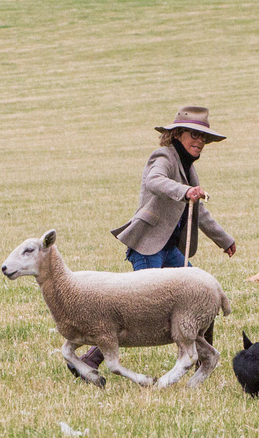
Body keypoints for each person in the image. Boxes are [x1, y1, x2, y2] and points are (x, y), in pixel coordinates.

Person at [73, 106, 236, 375]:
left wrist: (224, 240)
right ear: (176, 134)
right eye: (193, 135)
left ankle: (203, 357)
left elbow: (199, 211)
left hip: (170, 249)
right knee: (138, 310)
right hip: (148, 247)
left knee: (200, 293)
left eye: (203, 138)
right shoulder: (163, 156)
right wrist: (185, 191)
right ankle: (92, 359)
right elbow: (154, 180)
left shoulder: (187, 167)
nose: (199, 142)